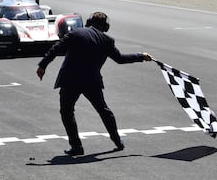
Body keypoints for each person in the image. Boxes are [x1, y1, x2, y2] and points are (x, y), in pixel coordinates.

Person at [36, 12, 153, 156]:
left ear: (89, 21)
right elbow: (120, 59)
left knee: (67, 112)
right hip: (92, 80)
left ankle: (76, 146)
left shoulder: (75, 33)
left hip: (70, 79)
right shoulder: (107, 40)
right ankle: (117, 141)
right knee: (103, 110)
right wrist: (140, 56)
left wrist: (43, 65)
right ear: (105, 26)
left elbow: (56, 48)